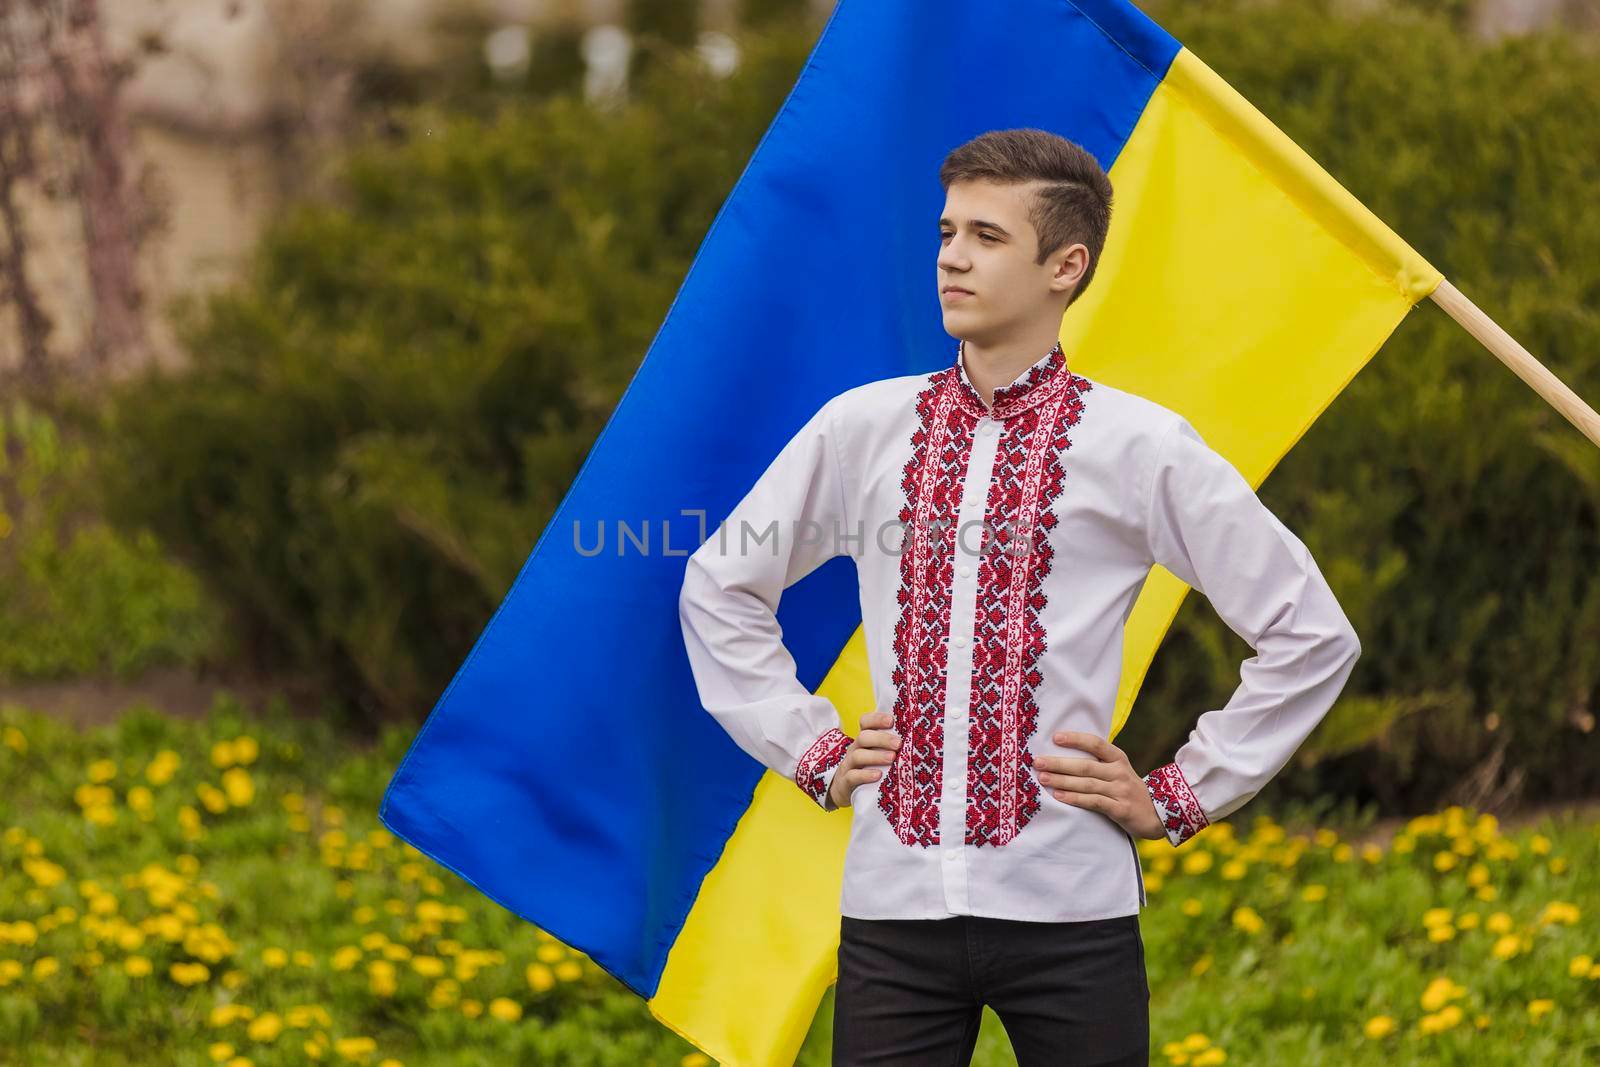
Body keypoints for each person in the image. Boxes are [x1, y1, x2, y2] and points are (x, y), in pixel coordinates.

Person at [677, 128, 1361, 1067]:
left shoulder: (1140, 446)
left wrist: (1179, 793)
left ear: (1066, 266)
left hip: (1071, 909)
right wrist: (813, 747)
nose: (952, 256)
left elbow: (1310, 631)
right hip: (893, 911)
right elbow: (720, 582)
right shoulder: (862, 429)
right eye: (947, 230)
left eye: (988, 237)